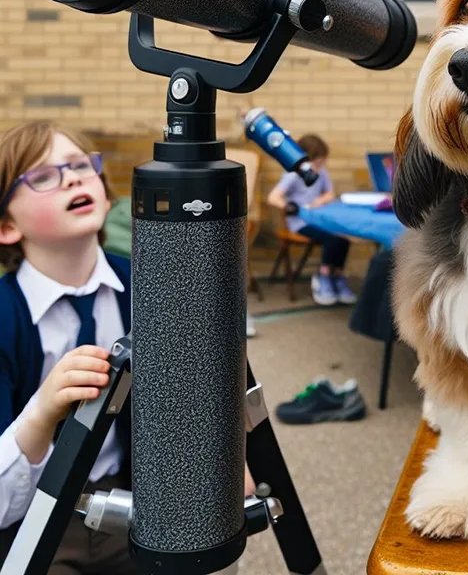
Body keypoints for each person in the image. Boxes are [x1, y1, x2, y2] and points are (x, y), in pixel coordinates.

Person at [0, 121, 257, 571]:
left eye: (82, 166)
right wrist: (41, 412)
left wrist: (224, 456)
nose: (76, 178)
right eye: (43, 176)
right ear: (5, 226)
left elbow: (192, 390)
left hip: (136, 501)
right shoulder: (4, 318)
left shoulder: (153, 279)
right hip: (33, 520)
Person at [267, 134, 357, 306]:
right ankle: (323, 277)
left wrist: (320, 201)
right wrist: (288, 207)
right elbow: (273, 197)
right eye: (316, 163)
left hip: (319, 220)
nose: (319, 167)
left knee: (343, 240)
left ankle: (337, 277)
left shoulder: (321, 172)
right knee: (332, 240)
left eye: (321, 163)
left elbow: (329, 194)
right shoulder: (294, 173)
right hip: (300, 223)